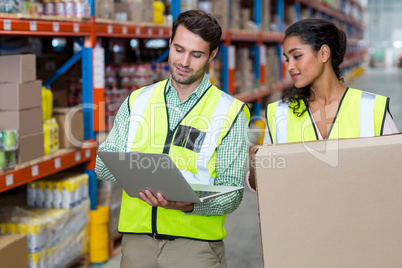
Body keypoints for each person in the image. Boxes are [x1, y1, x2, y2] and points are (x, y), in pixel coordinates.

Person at [95, 9, 250, 268]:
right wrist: (136, 167)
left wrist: (188, 204)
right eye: (178, 49)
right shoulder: (138, 100)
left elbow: (231, 195)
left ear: (212, 55)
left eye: (196, 54)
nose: (184, 61)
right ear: (169, 44)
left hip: (194, 248)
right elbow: (103, 167)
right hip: (137, 244)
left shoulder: (229, 112)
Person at [248, 18, 398, 191]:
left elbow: (395, 175)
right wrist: (255, 165)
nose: (290, 66)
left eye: (297, 56)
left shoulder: (372, 109)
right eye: (287, 59)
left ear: (324, 54)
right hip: (302, 216)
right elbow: (261, 185)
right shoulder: (280, 113)